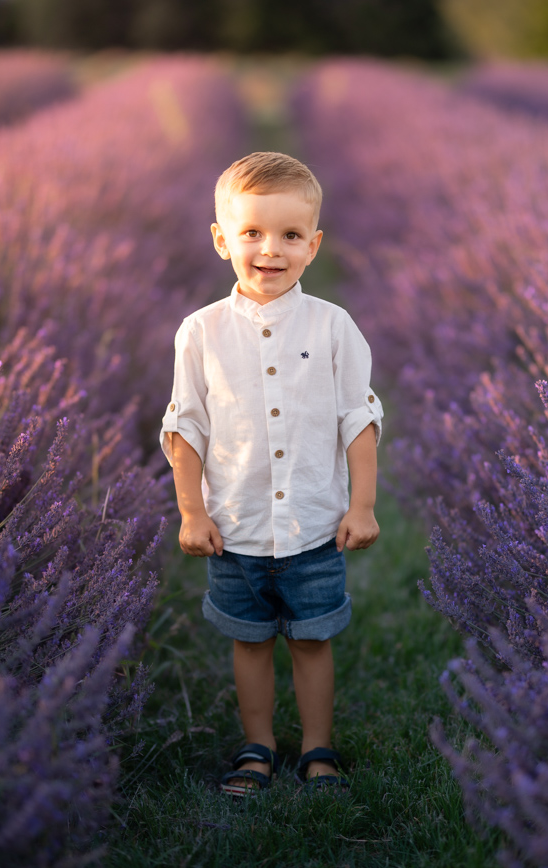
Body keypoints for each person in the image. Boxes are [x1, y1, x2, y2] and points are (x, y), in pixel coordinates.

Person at [160, 151, 383, 795]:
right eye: (252, 232)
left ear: (314, 245)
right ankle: (257, 746)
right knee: (251, 642)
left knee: (311, 642)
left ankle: (318, 749)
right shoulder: (200, 332)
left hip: (313, 526)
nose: (270, 249)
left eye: (289, 235)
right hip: (237, 528)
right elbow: (186, 427)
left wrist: (362, 505)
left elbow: (358, 418)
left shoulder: (334, 327)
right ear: (221, 239)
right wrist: (192, 512)